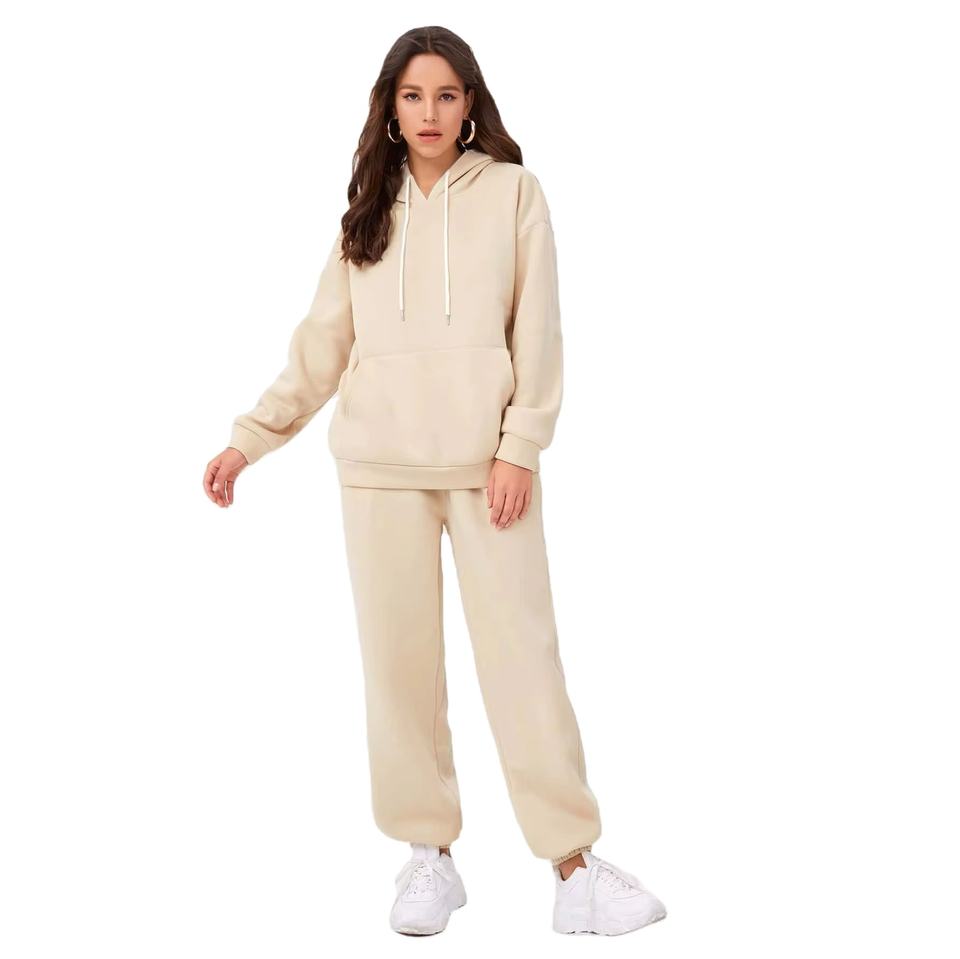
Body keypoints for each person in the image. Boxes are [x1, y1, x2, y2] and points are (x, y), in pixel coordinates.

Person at [203, 25, 666, 938]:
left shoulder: (514, 193)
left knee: (523, 660)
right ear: (390, 108)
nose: (429, 112)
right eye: (412, 96)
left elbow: (539, 327)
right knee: (399, 669)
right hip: (378, 471)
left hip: (488, 469)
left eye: (446, 95)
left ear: (470, 105)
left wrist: (519, 445)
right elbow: (320, 347)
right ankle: (429, 855)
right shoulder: (366, 215)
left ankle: (573, 865)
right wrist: (249, 439)